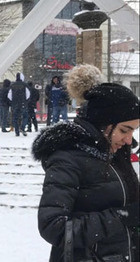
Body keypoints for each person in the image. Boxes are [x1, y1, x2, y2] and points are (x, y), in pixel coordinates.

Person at [32, 64, 139, 262]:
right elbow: (54, 227)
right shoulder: (68, 158)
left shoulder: (118, 155)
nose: (129, 140)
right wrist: (122, 216)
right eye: (125, 130)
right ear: (104, 123)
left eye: (133, 131)